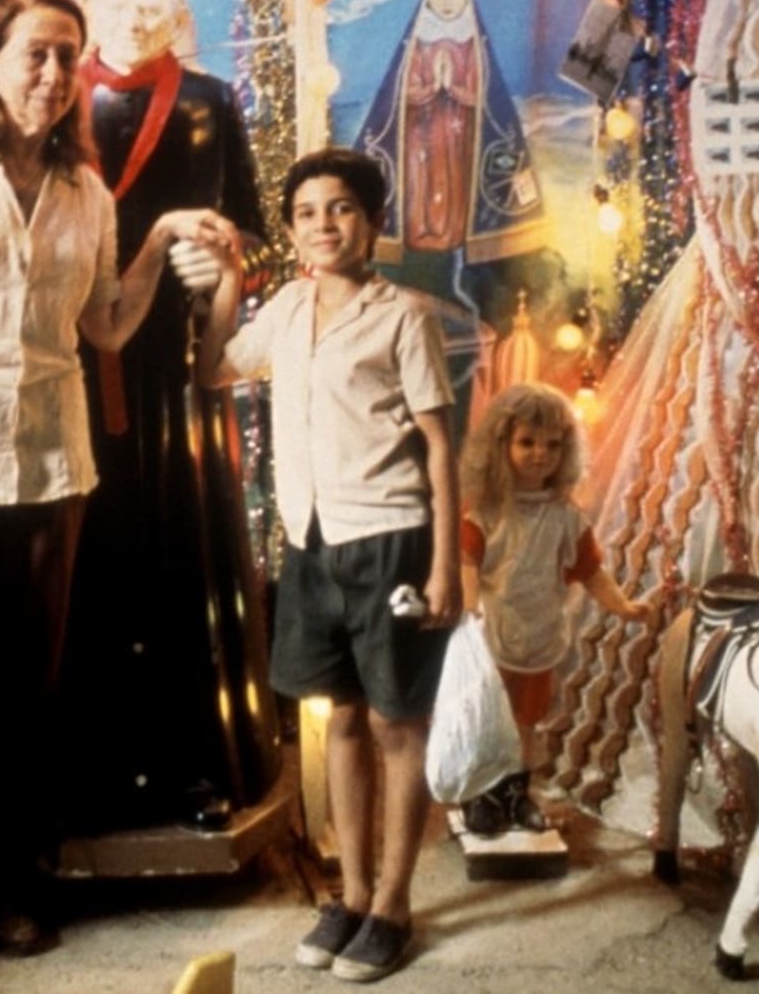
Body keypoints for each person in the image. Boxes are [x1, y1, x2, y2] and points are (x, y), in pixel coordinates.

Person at [0, 0, 237, 989]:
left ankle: (12, 882)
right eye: (35, 51)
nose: (55, 71)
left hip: (54, 463)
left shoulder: (86, 193)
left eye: (69, 54)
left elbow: (106, 326)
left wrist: (157, 241)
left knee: (29, 695)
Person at [199, 148, 460, 982]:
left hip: (391, 538)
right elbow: (214, 366)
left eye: (341, 208)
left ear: (372, 222)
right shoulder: (286, 307)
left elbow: (440, 446)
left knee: (396, 723)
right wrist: (229, 280)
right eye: (307, 212)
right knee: (340, 717)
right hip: (312, 541)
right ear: (291, 229)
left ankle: (393, 903)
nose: (324, 225)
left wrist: (446, 568)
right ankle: (350, 893)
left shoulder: (403, 317)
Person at [59, 0, 279, 835]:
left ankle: (196, 759)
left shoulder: (209, 101)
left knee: (181, 548)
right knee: (84, 556)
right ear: (93, 9)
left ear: (178, 16)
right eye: (123, 4)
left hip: (176, 366)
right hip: (69, 361)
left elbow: (254, 232)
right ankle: (81, 767)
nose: (139, 19)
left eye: (157, 6)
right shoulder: (55, 99)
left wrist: (224, 262)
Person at [355, 0, 549, 438]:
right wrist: (428, 89)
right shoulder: (418, 43)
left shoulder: (470, 43)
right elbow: (400, 100)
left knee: (452, 198)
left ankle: (452, 246)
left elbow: (484, 101)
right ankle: (422, 242)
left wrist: (455, 90)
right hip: (419, 144)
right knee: (423, 193)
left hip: (459, 141)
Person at [456, 382, 651, 836]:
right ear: (500, 446)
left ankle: (517, 794)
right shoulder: (485, 514)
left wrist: (622, 605)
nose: (540, 454)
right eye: (527, 442)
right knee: (486, 720)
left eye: (552, 445)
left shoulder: (566, 516)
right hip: (490, 635)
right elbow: (466, 565)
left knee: (527, 723)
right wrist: (467, 612)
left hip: (538, 635)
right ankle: (481, 797)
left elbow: (591, 570)